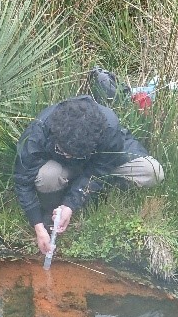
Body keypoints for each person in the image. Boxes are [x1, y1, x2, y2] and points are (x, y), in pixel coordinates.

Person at [13, 95, 164, 256]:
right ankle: (53, 208)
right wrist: (37, 226)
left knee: (153, 172)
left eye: (74, 154)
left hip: (102, 161)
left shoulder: (109, 128)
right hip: (63, 166)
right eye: (64, 151)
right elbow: (22, 181)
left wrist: (70, 204)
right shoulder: (39, 131)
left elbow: (100, 169)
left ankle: (100, 194)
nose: (69, 155)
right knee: (47, 177)